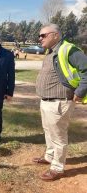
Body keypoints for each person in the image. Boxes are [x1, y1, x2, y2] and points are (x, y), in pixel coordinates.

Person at [34, 23, 87, 181]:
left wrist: (80, 92)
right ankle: (50, 157)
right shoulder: (50, 52)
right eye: (40, 35)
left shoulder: (69, 49)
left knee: (58, 136)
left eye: (43, 35)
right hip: (47, 101)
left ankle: (57, 167)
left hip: (59, 102)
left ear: (55, 35)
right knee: (49, 131)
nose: (40, 38)